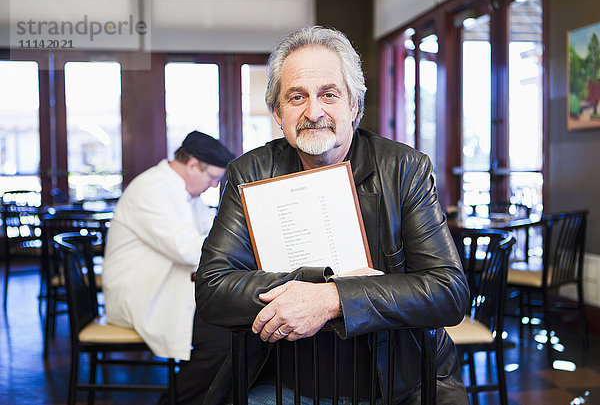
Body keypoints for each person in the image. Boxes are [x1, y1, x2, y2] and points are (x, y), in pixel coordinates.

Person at [195, 26, 470, 405]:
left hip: (396, 381)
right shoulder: (250, 172)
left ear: (353, 105)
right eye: (296, 97)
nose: (313, 111)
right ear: (277, 112)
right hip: (284, 378)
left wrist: (333, 298)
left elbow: (448, 292)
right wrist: (312, 287)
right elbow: (212, 289)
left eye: (329, 94)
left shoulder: (404, 168)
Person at [102, 130, 235, 405]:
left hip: (165, 287)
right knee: (223, 339)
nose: (213, 186)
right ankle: (175, 401)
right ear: (192, 165)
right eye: (212, 178)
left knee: (233, 327)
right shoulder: (152, 188)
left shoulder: (186, 194)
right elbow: (188, 248)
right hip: (140, 293)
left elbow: (210, 235)